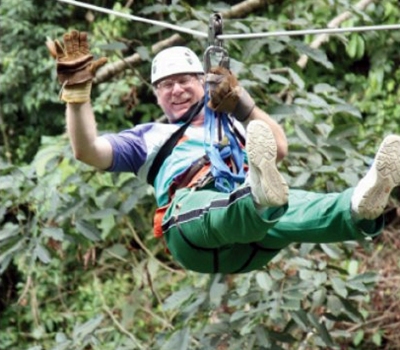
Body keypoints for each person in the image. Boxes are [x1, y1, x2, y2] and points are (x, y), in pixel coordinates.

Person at [48, 30, 400, 274]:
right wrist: (77, 95)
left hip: (251, 241)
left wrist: (241, 105)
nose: (177, 89)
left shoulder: (231, 123)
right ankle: (258, 199)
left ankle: (358, 206)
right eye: (166, 85)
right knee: (225, 204)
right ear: (155, 95)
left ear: (201, 82)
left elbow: (278, 148)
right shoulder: (147, 138)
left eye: (185, 80)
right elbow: (87, 150)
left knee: (298, 205)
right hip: (193, 234)